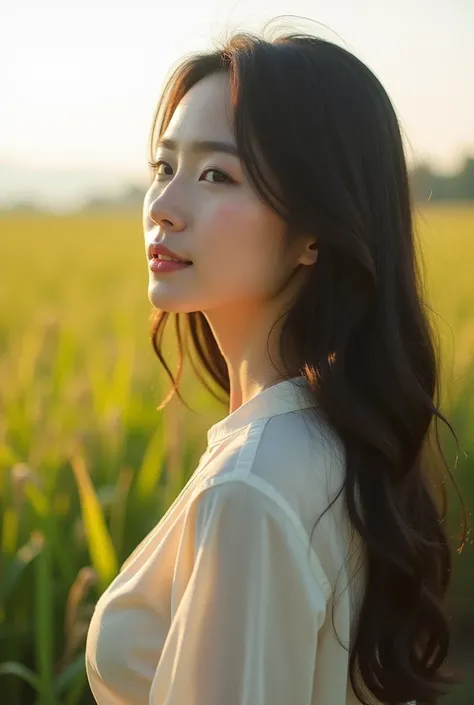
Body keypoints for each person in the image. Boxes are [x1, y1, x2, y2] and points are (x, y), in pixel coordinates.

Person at [85, 20, 467, 705]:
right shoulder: (326, 441)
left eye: (215, 174)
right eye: (164, 168)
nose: (164, 209)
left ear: (314, 231)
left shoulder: (252, 487)